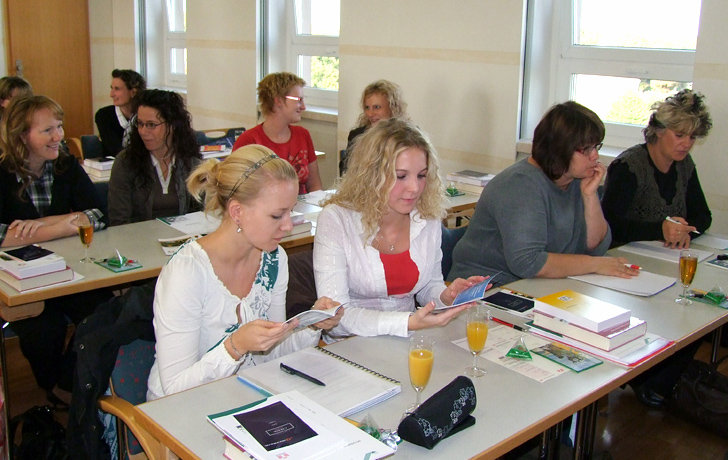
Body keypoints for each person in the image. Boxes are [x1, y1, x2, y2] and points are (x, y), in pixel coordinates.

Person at [147, 145, 343, 400]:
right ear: (237, 212)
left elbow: (272, 353)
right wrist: (234, 346)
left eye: (290, 211)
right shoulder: (188, 272)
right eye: (276, 215)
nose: (287, 225)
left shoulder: (273, 259)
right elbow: (174, 389)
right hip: (180, 410)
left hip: (243, 395)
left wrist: (311, 325)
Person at [313, 118, 485, 339]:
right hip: (350, 344)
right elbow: (336, 318)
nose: (414, 188)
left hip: (407, 337)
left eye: (421, 175)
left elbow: (427, 286)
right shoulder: (337, 220)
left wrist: (448, 296)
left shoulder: (426, 216)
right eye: (400, 176)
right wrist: (406, 322)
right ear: (372, 176)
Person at [448, 101, 638, 285]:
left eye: (596, 146)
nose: (595, 155)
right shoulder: (520, 185)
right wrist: (595, 265)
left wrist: (590, 197)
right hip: (486, 288)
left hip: (538, 284)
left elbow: (597, 248)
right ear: (559, 149)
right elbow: (528, 262)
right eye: (586, 149)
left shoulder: (576, 181)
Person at [0, 95, 110, 405]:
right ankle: (51, 386)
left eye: (59, 127)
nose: (59, 137)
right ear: (22, 135)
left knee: (102, 311)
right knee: (42, 332)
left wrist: (48, 226)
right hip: (20, 281)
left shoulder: (65, 166)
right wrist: (67, 223)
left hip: (68, 271)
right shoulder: (1, 171)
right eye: (48, 130)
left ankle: (66, 384)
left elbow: (100, 214)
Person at [601, 89, 713, 248]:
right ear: (659, 130)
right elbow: (610, 225)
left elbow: (703, 215)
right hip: (626, 253)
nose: (687, 144)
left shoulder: (684, 163)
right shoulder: (628, 167)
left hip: (665, 253)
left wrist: (683, 232)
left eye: (692, 137)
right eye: (679, 135)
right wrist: (660, 230)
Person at [108, 89, 202, 225]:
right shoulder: (125, 162)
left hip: (183, 240)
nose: (143, 132)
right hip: (139, 241)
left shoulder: (191, 161)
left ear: (172, 125)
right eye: (140, 124)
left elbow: (200, 213)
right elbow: (119, 221)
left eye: (151, 125)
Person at [232, 72, 323, 194]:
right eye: (299, 100)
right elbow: (238, 190)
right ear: (278, 101)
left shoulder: (303, 135)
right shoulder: (248, 141)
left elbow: (314, 184)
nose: (303, 107)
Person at [341, 80, 409, 174]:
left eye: (377, 107)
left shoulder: (407, 137)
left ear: (392, 107)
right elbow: (345, 171)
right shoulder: (357, 135)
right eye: (367, 108)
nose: (370, 114)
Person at [94, 69, 146, 157]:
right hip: (115, 166)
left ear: (133, 92)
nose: (111, 94)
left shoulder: (146, 116)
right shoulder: (104, 115)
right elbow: (116, 150)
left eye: (117, 89)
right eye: (112, 88)